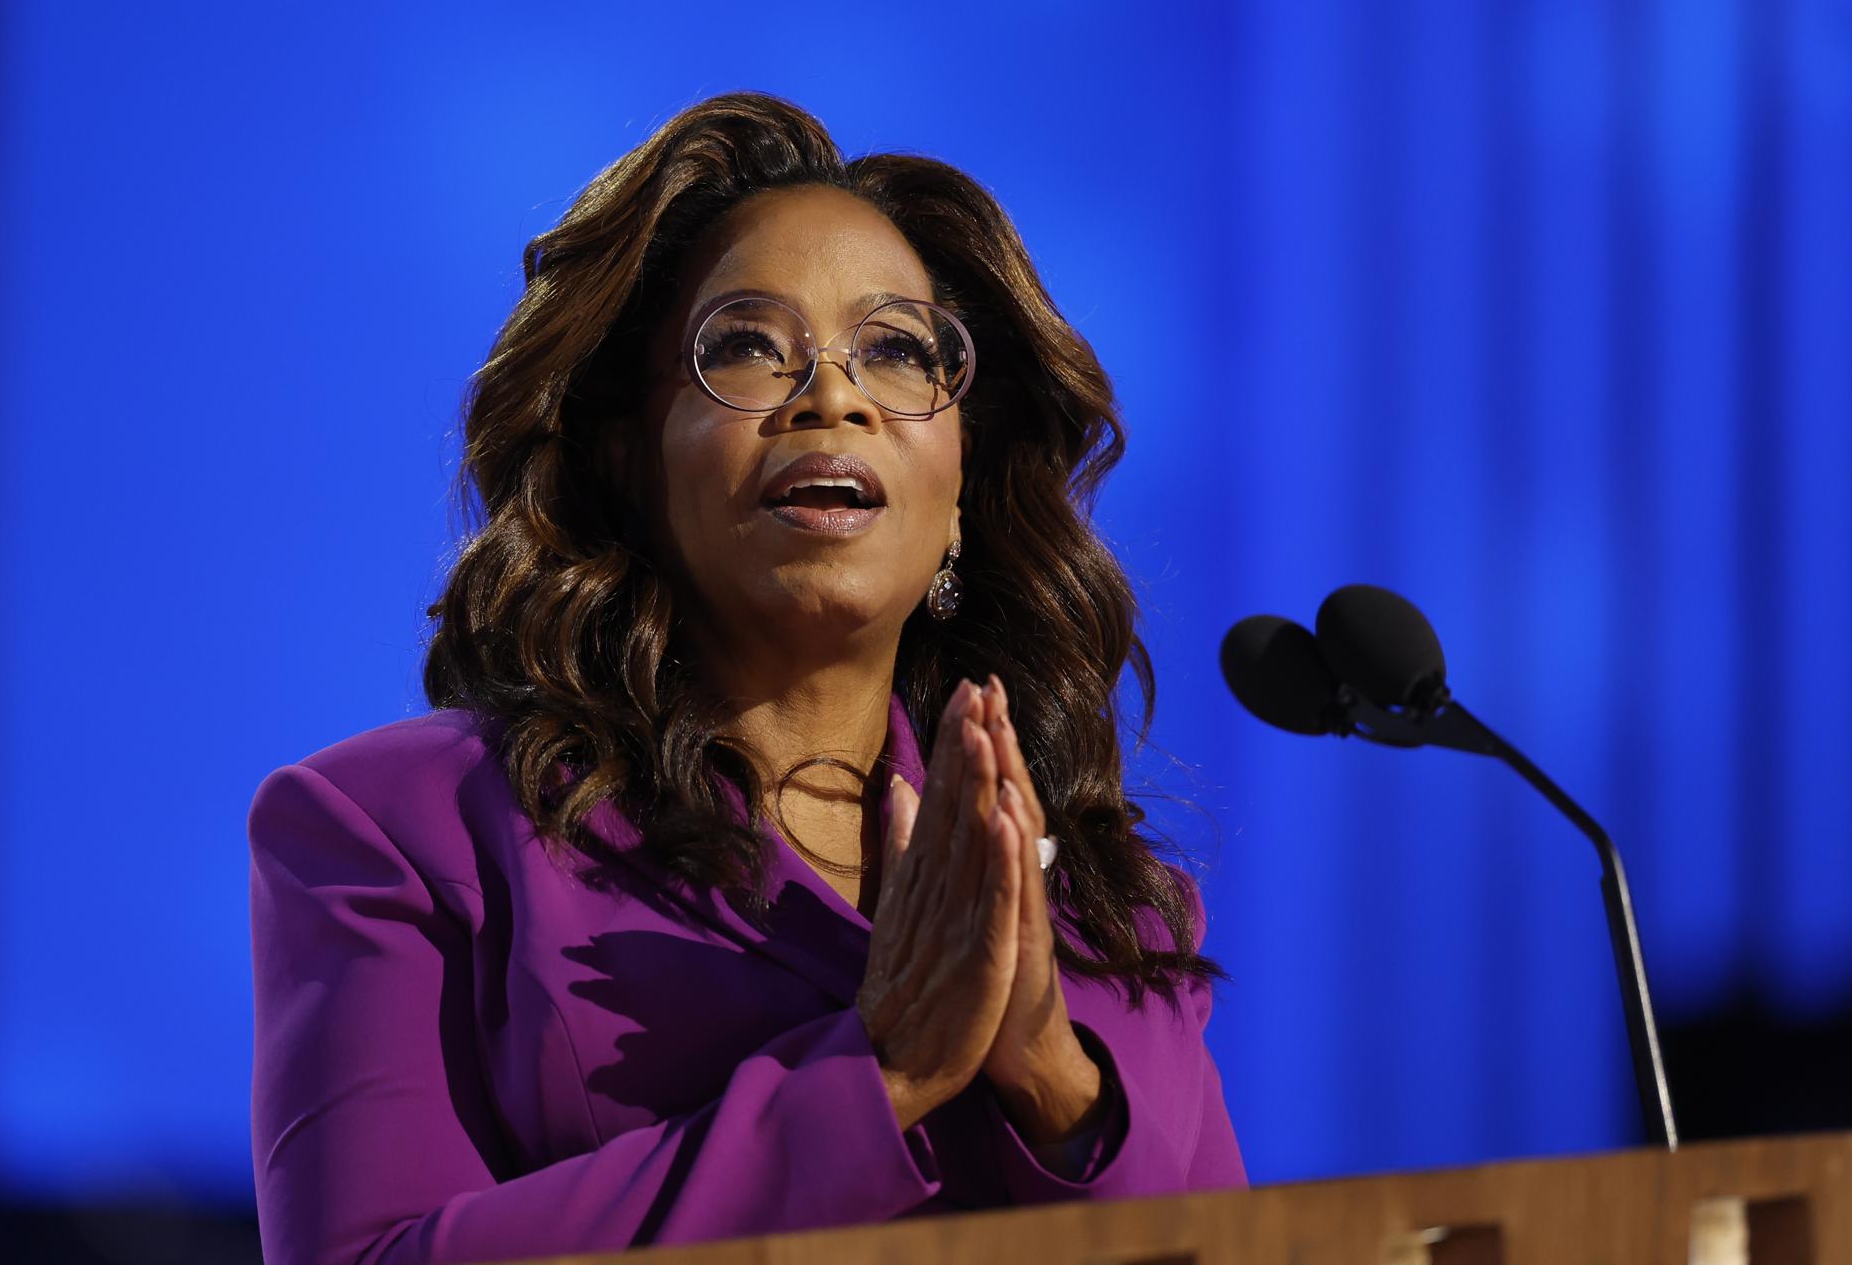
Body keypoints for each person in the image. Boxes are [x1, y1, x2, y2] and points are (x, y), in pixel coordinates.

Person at [247, 91, 1245, 1265]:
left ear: (963, 474)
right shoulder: (405, 832)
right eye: (747, 348)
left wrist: (1054, 1075)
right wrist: (880, 1076)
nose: (835, 395)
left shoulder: (1103, 904)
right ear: (628, 454)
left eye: (897, 350)